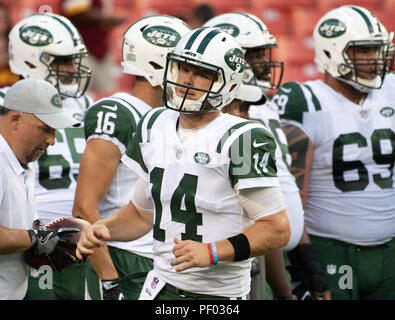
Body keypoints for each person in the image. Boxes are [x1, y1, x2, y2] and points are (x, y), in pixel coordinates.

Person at [76, 27, 290, 300]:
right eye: (183, 68)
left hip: (217, 296)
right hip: (159, 287)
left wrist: (213, 251)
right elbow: (142, 215)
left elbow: (277, 228)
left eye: (203, 74)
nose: (187, 79)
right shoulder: (154, 124)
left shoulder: (243, 138)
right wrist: (106, 229)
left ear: (230, 85)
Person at [271, 5, 395, 300]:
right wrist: (306, 267)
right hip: (330, 250)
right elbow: (289, 195)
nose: (373, 59)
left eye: (377, 50)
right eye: (362, 51)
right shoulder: (304, 101)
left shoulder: (391, 89)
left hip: (390, 252)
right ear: (330, 53)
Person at [204, 12, 330, 300]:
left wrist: (307, 267)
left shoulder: (264, 106)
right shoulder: (228, 113)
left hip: (273, 251)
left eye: (264, 52)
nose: (265, 61)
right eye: (255, 53)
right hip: (242, 259)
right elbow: (252, 207)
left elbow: (280, 193)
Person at [72, 15, 192, 300]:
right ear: (157, 66)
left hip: (168, 259)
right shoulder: (119, 113)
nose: (190, 76)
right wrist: (110, 280)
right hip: (126, 257)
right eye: (184, 67)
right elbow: (84, 208)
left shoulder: (177, 117)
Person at [1, 13, 93, 300]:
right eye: (60, 60)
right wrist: (35, 237)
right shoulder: (8, 113)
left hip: (65, 242)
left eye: (72, 60)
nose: (70, 69)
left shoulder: (85, 104)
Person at [0, 78, 81, 300]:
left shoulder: (24, 160)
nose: (52, 140)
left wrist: (52, 234)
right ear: (16, 120)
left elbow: (24, 225)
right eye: (45, 129)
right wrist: (36, 238)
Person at [62, 0, 126, 93]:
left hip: (101, 48)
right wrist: (106, 19)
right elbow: (76, 11)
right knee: (78, 94)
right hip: (80, 49)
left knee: (106, 95)